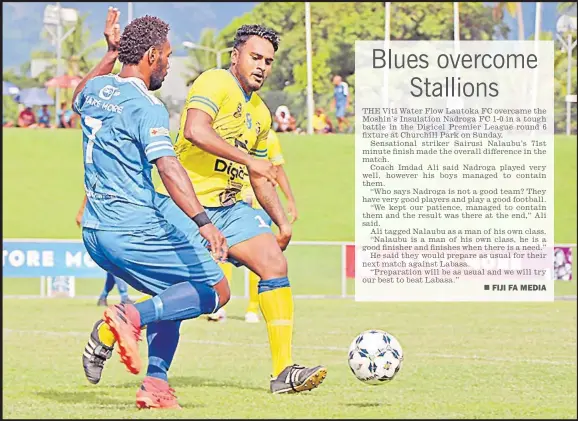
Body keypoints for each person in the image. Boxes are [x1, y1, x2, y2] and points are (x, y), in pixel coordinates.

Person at [82, 22, 326, 397]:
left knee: (274, 264)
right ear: (235, 57)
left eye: (268, 61)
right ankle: (149, 369)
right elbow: (196, 130)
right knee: (192, 291)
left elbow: (260, 175)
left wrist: (281, 221)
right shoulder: (214, 82)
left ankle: (282, 372)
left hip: (227, 207)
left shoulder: (260, 113)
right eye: (255, 57)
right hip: (188, 204)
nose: (262, 66)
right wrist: (237, 174)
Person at [75, 8, 232, 409]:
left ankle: (155, 385)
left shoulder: (96, 91)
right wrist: (204, 222)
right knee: (216, 289)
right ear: (150, 57)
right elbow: (168, 166)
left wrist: (109, 53)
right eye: (166, 54)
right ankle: (127, 319)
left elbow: (77, 96)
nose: (168, 62)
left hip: (95, 231)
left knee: (174, 293)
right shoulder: (148, 107)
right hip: (132, 226)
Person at [209, 129, 298, 323]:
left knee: (261, 261)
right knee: (221, 253)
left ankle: (252, 308)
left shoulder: (269, 136)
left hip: (259, 206)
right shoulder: (226, 130)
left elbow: (277, 169)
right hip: (232, 203)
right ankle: (219, 305)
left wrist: (289, 199)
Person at [75, 195, 133, 306]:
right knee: (117, 264)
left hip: (107, 228)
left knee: (113, 268)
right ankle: (124, 297)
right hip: (106, 229)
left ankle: (103, 297)